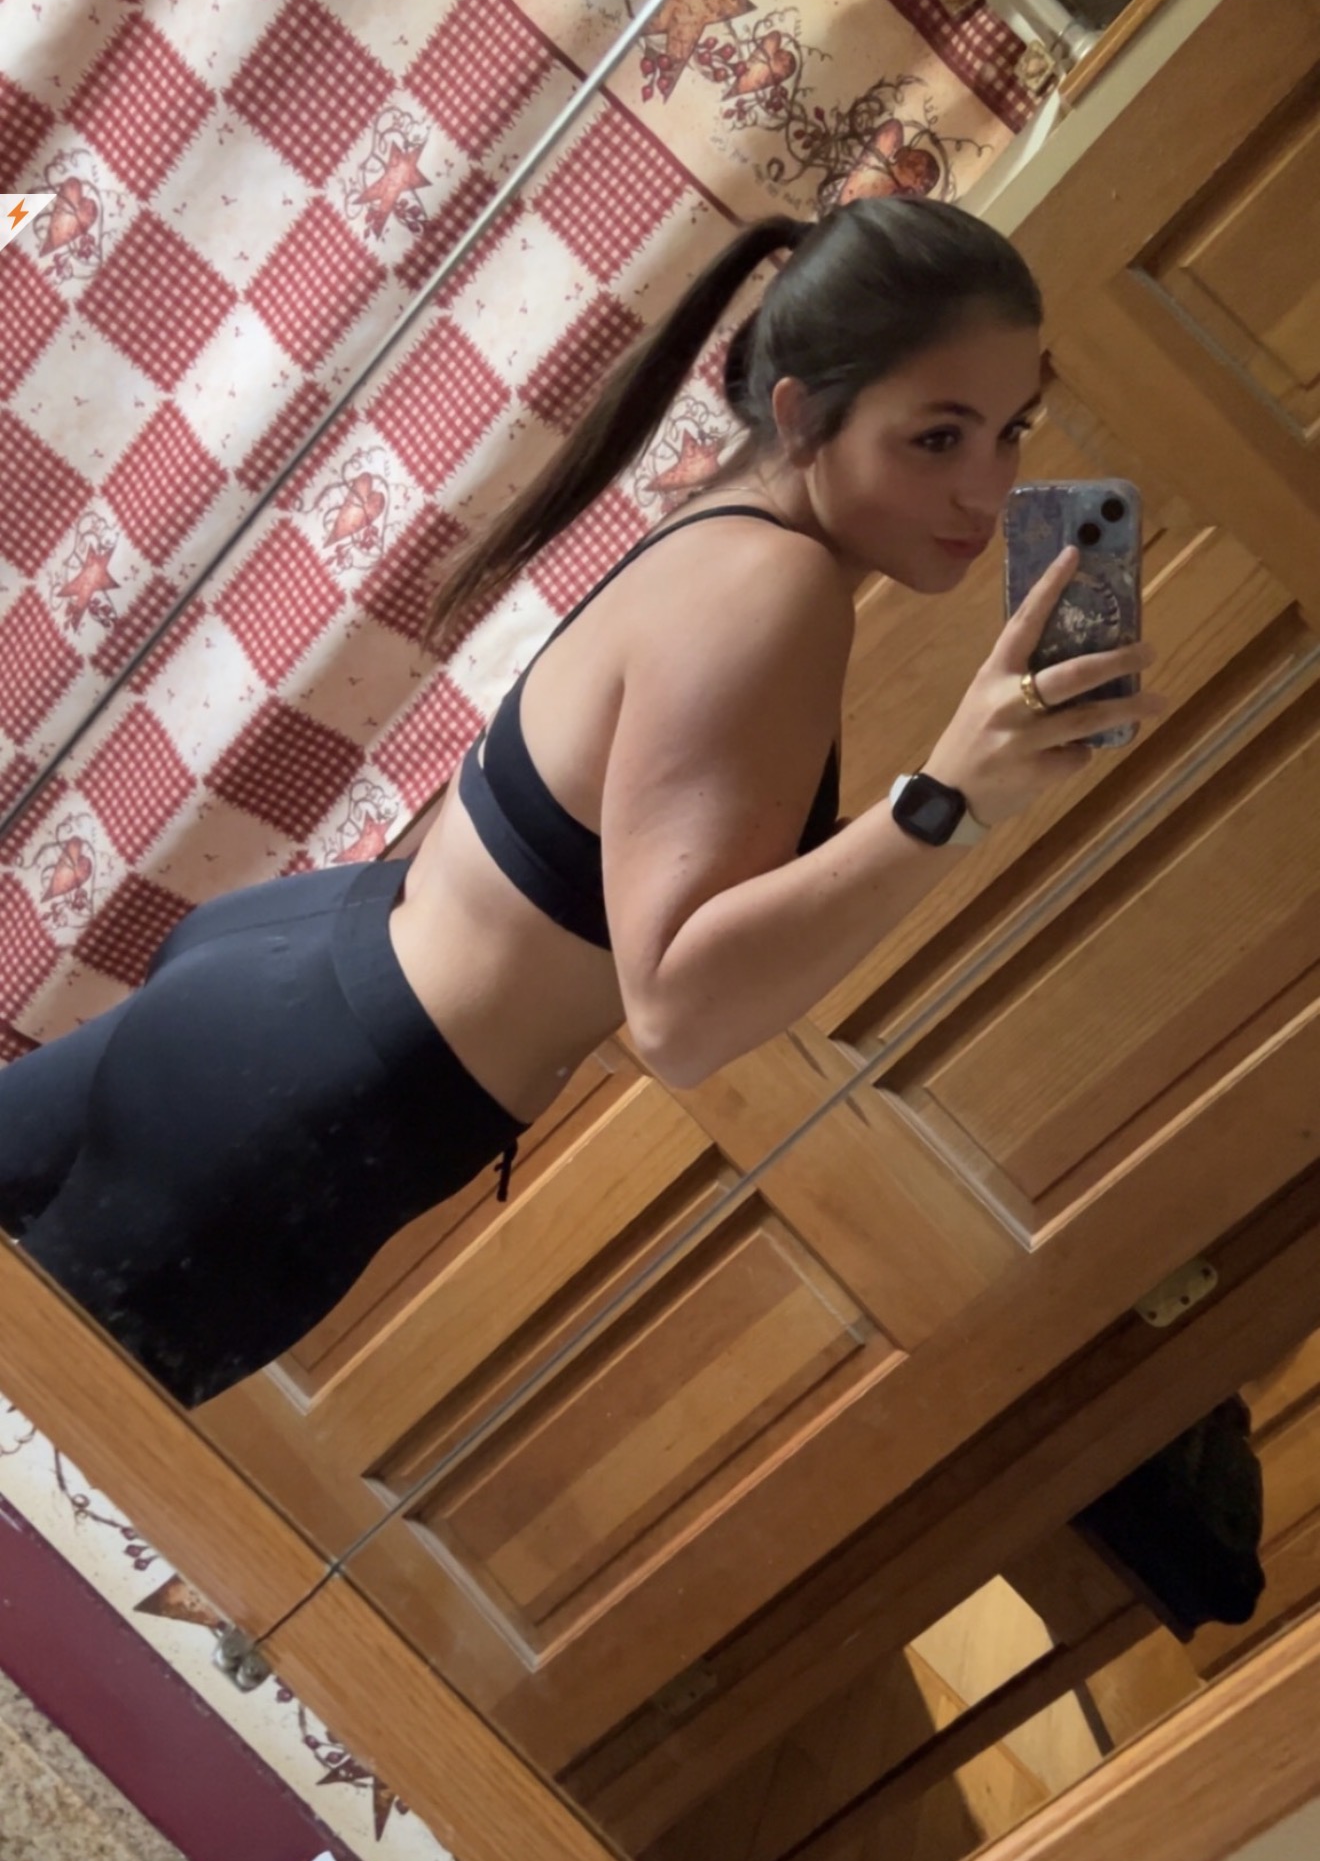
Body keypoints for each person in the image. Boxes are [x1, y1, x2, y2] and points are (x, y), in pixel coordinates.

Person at [0, 197, 1163, 1407]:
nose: (987, 489)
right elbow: (677, 1017)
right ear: (799, 412)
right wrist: (948, 799)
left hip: (285, 991)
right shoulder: (775, 590)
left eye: (1011, 431)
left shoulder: (727, 530)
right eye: (938, 437)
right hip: (304, 1093)